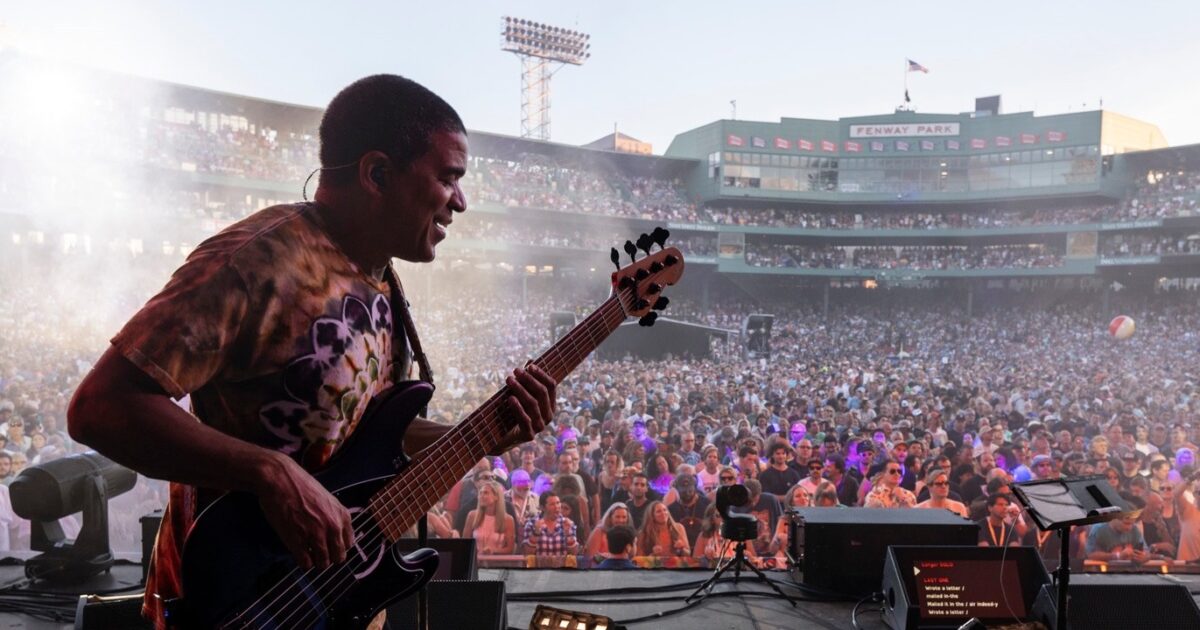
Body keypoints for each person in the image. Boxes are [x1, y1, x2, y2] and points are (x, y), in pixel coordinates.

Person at [66, 75, 559, 628]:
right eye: (448, 178)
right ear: (377, 173)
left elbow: (364, 437)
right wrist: (270, 472)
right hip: (233, 603)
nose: (460, 203)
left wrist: (486, 435)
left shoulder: (382, 282)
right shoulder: (257, 262)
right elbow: (100, 407)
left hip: (327, 603)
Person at [462, 480, 515, 555]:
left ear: (496, 496)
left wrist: (493, 551)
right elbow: (464, 543)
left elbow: (510, 549)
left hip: (497, 562)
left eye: (486, 493)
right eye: (480, 493)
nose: (482, 496)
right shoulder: (472, 516)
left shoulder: (508, 519)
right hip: (476, 561)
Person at [522, 492, 579, 556]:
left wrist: (568, 535)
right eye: (552, 504)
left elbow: (574, 553)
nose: (557, 507)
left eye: (558, 503)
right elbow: (527, 553)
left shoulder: (567, 523)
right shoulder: (531, 524)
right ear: (542, 508)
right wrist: (536, 534)